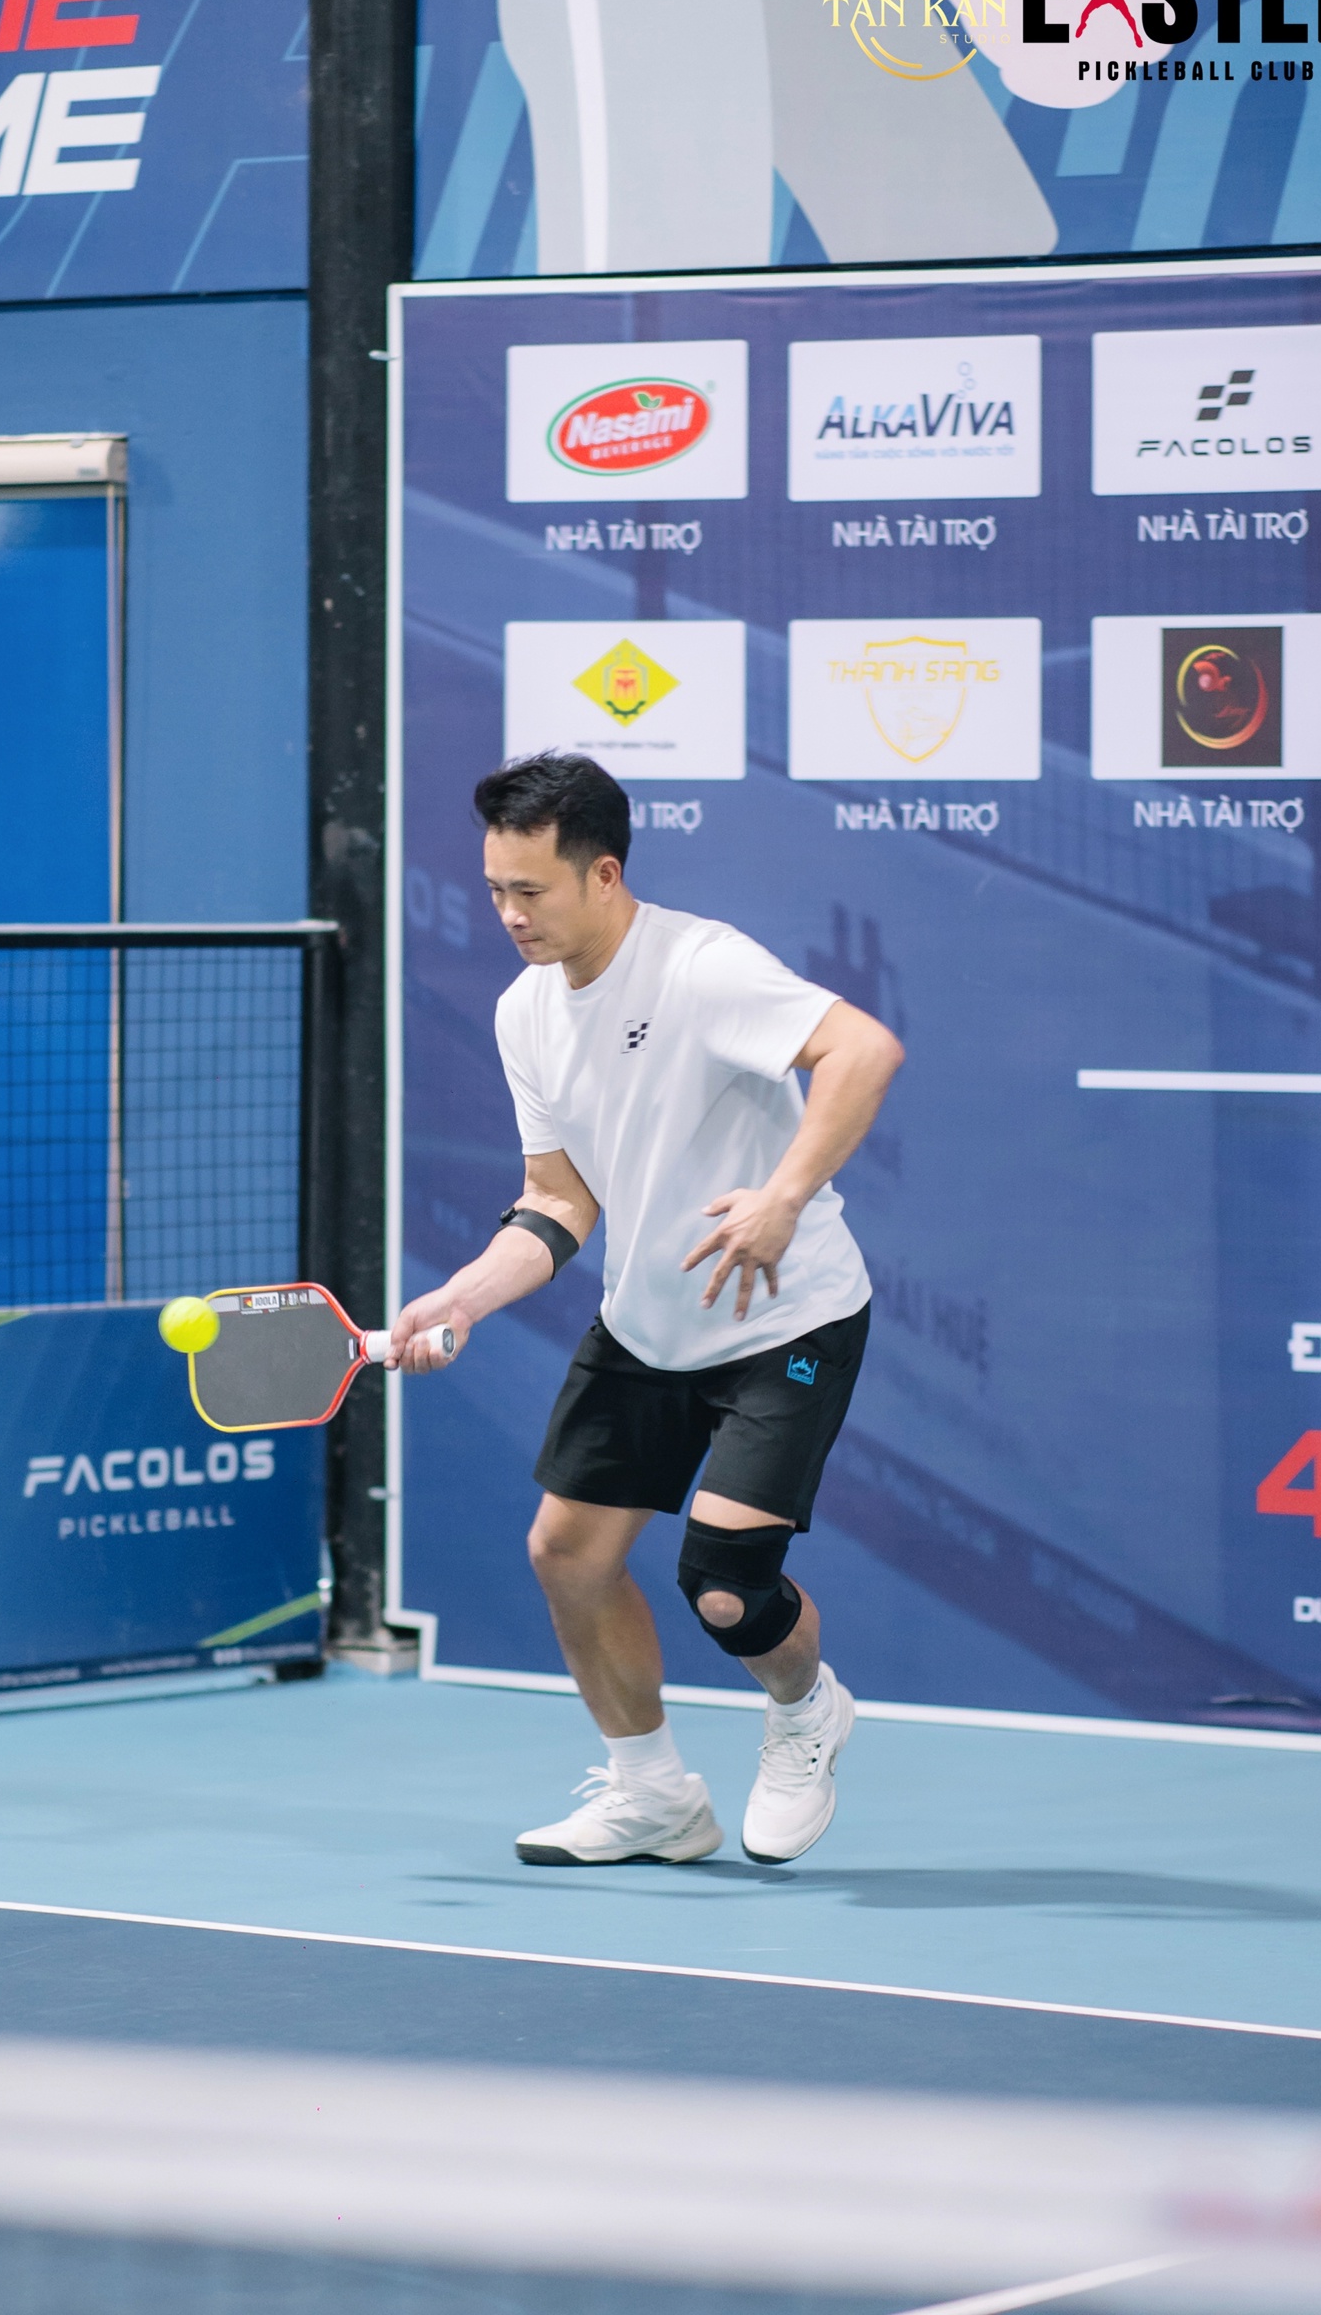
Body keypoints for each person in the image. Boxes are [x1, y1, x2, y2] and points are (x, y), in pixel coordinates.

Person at [391, 754, 903, 1866]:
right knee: (568, 1554)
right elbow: (558, 1201)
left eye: (531, 891)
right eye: (495, 890)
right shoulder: (525, 1011)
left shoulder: (702, 968)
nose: (509, 914)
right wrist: (462, 1300)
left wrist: (781, 1197)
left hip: (785, 1319)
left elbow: (863, 1049)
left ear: (605, 874)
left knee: (723, 1588)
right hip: (647, 1321)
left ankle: (806, 1713)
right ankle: (654, 1797)